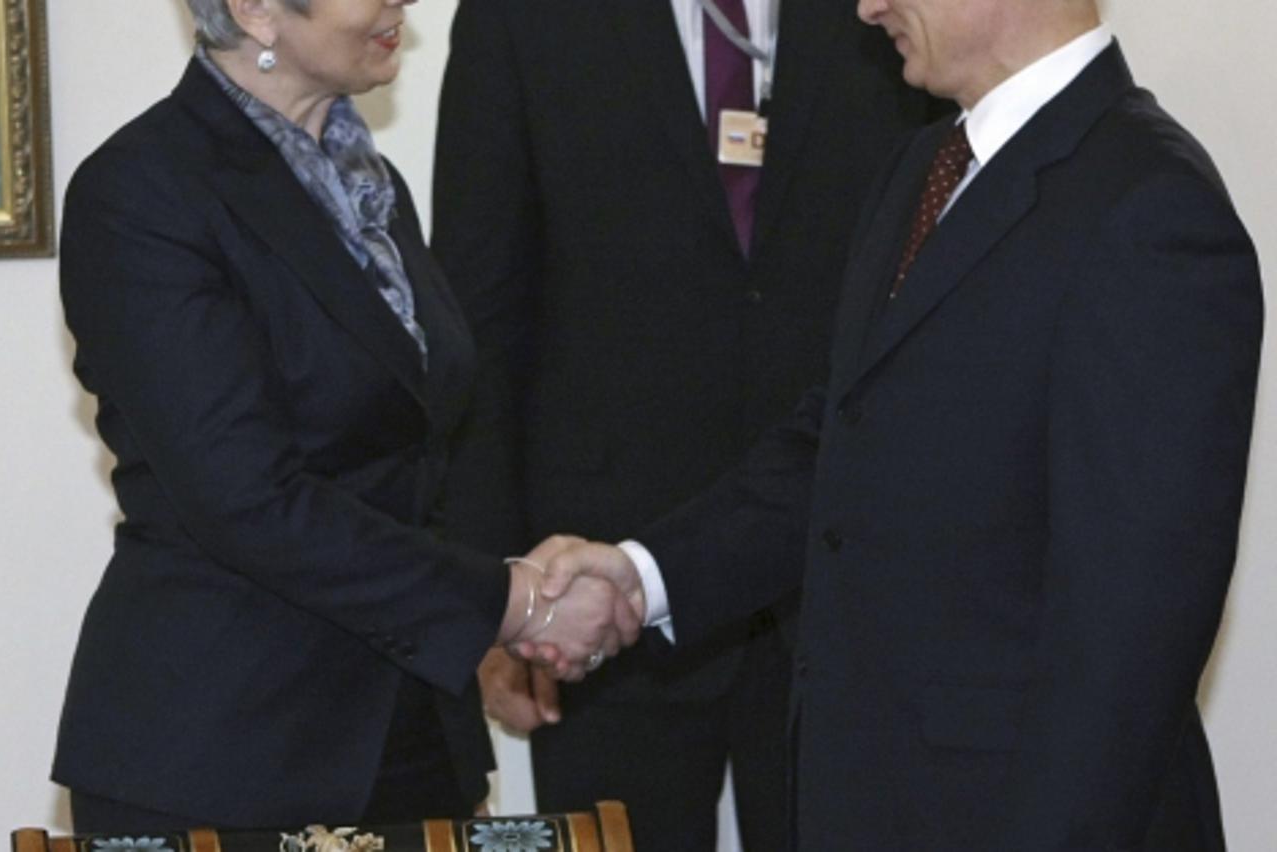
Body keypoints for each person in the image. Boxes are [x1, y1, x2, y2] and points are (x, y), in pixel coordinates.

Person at [529, 0, 1265, 848]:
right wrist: (641, 576)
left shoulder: (1151, 207)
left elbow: (1133, 642)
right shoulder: (923, 168)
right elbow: (837, 441)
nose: (866, 6)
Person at [53, 0, 635, 833]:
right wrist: (506, 602)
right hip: (226, 747)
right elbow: (245, 498)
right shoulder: (142, 189)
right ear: (255, 9)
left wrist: (491, 615)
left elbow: (419, 452)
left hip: (412, 729)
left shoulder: (370, 184)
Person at [430, 0, 941, 846]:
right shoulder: (521, 16)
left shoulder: (886, 11)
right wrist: (493, 597)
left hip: (843, 570)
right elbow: (480, 313)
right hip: (600, 594)